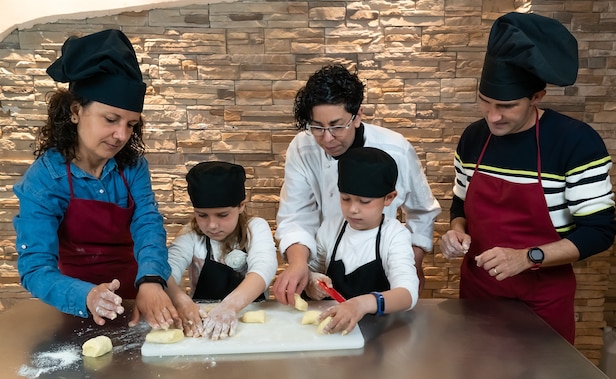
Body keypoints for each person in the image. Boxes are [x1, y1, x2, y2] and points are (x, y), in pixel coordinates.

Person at [439, 12, 616, 344]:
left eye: (506, 105)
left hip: (541, 306)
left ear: (536, 97)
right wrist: (456, 231)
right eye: (485, 101)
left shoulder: (575, 142)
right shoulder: (474, 138)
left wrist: (527, 256)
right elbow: (460, 204)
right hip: (477, 298)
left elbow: (599, 233)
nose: (493, 116)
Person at [13, 29, 177, 329]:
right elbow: (35, 268)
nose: (122, 136)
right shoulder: (45, 178)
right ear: (76, 111)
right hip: (76, 308)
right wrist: (87, 296)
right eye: (111, 120)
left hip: (138, 299)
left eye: (131, 124)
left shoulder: (133, 168)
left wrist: (152, 281)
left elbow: (148, 225)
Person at [274, 64, 440, 306]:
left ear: (358, 115)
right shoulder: (302, 148)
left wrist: (411, 263)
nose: (327, 138)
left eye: (336, 125)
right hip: (329, 279)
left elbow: (422, 211)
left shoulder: (395, 149)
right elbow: (296, 216)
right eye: (317, 127)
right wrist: (301, 267)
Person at [305, 147, 418, 335]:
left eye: (364, 201)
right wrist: (312, 281)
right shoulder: (331, 228)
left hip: (381, 335)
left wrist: (361, 304)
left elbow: (408, 294)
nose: (352, 209)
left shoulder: (395, 235)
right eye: (345, 199)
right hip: (333, 332)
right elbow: (312, 270)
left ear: (389, 198)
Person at [166, 161, 278, 340]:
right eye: (202, 215)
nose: (212, 225)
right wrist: (181, 300)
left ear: (241, 205)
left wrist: (229, 306)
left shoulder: (255, 228)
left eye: (222, 215)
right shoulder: (191, 234)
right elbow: (167, 271)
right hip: (204, 326)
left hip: (252, 328)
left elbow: (264, 268)